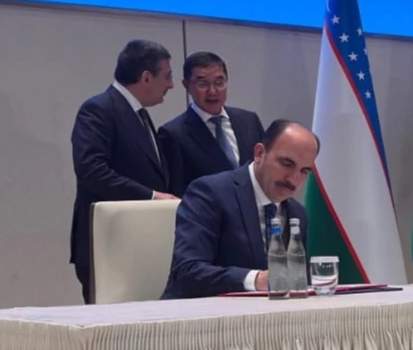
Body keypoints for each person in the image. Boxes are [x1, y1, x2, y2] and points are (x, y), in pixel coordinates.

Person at [161, 119, 318, 299]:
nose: (293, 179)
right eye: (287, 164)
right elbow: (187, 272)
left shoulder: (297, 214)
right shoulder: (210, 193)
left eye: (304, 171)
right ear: (259, 153)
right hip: (198, 312)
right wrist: (255, 280)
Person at [70, 39, 175, 304]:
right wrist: (152, 197)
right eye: (167, 76)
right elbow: (91, 170)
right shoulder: (99, 110)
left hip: (141, 243)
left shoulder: (139, 113)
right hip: (109, 245)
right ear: (146, 77)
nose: (172, 85)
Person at [157, 51, 265, 195]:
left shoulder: (249, 121)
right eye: (203, 84)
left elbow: (265, 170)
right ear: (186, 85)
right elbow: (177, 192)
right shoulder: (173, 134)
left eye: (219, 82)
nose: (212, 91)